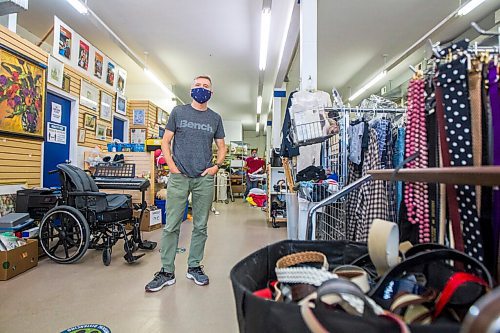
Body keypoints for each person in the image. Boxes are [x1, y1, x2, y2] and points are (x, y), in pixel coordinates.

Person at [145, 75, 226, 292]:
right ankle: (166, 271)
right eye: (198, 85)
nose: (201, 89)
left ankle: (194, 267)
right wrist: (171, 166)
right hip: (179, 177)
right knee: (171, 225)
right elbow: (165, 142)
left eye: (206, 86)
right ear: (191, 89)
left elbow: (222, 147)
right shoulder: (178, 112)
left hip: (204, 179)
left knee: (200, 226)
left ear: (211, 92)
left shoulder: (215, 118)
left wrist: (216, 166)